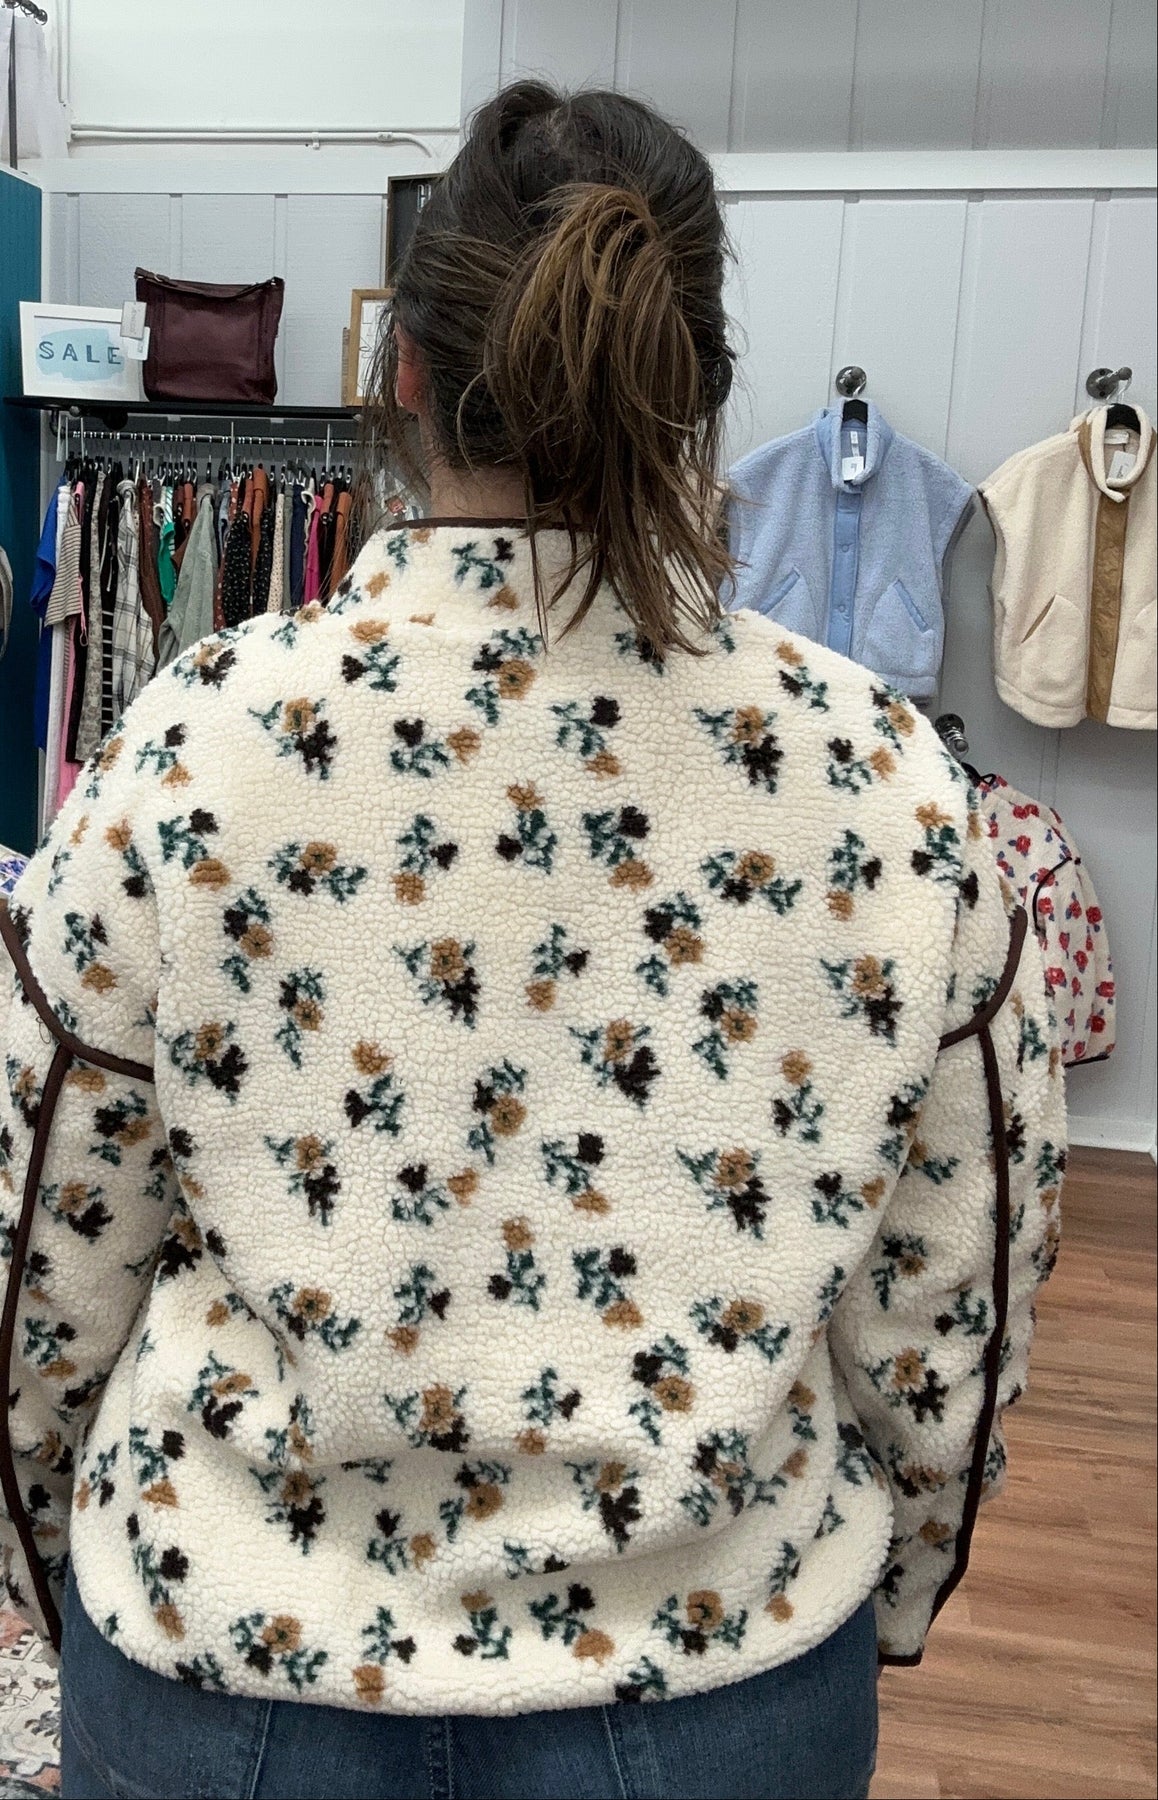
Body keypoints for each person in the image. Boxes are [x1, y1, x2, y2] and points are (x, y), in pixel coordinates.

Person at [0, 81, 1064, 1800]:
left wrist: (65, 1567)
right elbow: (960, 1291)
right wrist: (876, 1587)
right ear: (698, 387)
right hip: (716, 1678)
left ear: (404, 369)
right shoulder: (887, 783)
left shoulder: (199, 747)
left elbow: (39, 1242)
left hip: (235, 1671)